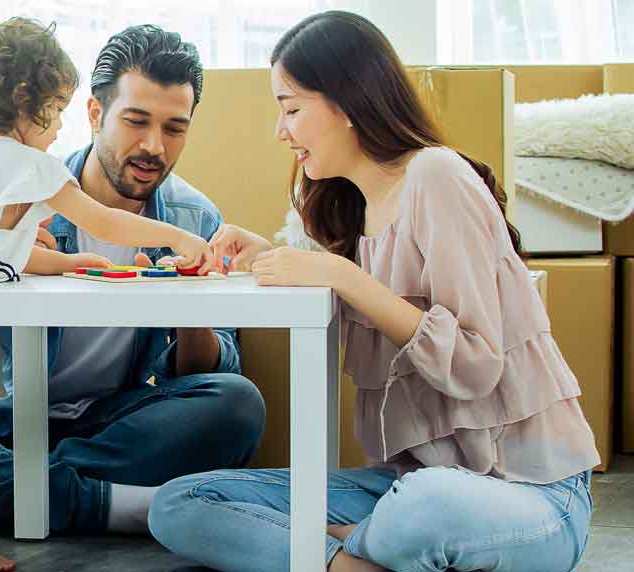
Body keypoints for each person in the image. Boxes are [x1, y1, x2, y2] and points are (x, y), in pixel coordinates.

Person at [148, 11, 599, 572]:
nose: (280, 131)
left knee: (428, 502)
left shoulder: (437, 176)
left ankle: (338, 549)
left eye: (291, 108)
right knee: (181, 502)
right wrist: (264, 254)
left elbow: (477, 362)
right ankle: (353, 562)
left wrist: (344, 277)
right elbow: (353, 288)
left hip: (531, 497)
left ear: (347, 103)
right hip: (400, 486)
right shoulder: (352, 216)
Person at [0, 23, 266, 553]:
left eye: (175, 128)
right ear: (95, 114)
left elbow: (215, 370)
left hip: (108, 421)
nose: (154, 146)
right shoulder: (28, 181)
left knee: (236, 405)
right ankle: (107, 504)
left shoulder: (198, 218)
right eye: (136, 121)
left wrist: (187, 299)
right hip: (2, 419)